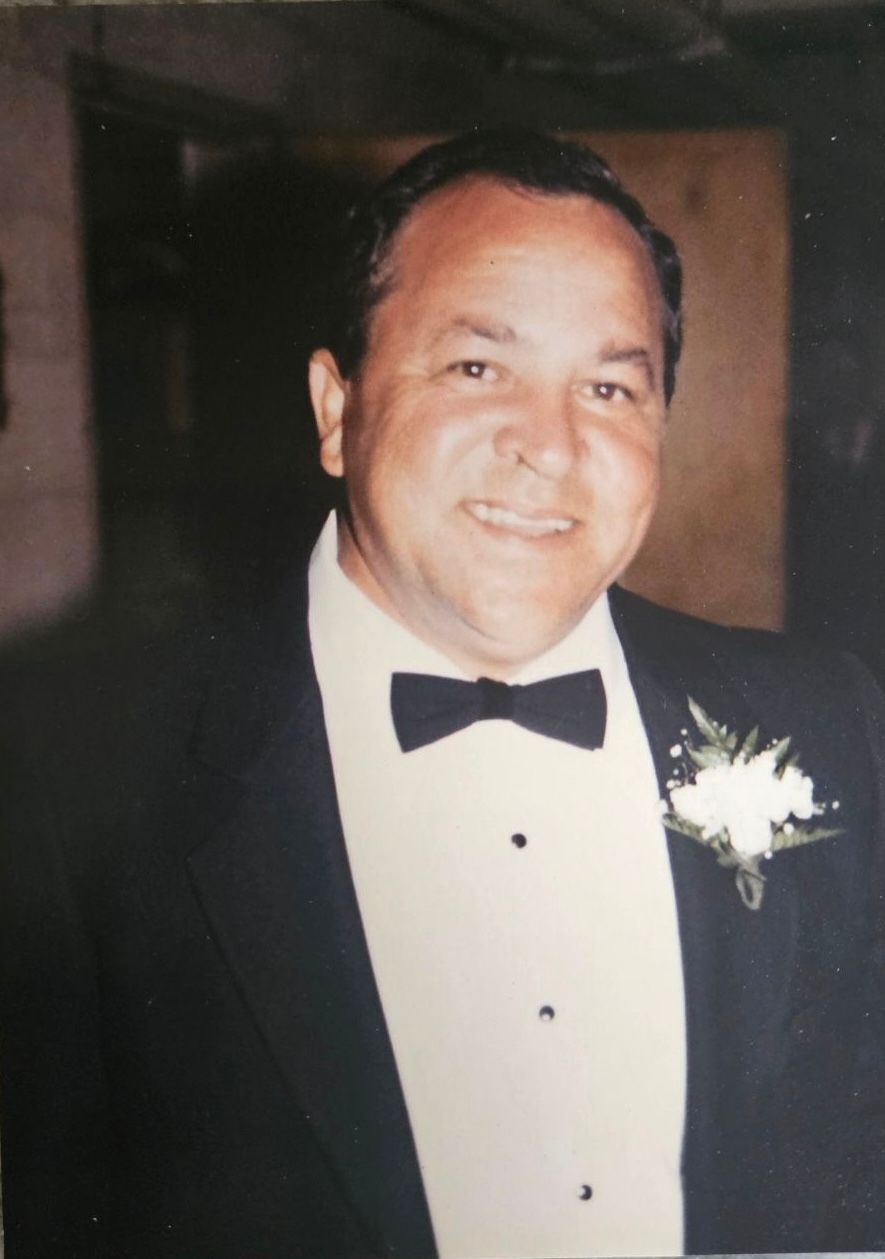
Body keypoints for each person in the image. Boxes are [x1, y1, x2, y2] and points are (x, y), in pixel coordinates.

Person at [1, 128, 884, 1259]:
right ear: (337, 408)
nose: (549, 447)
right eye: (479, 367)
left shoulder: (825, 724)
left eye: (610, 386)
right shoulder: (78, 782)